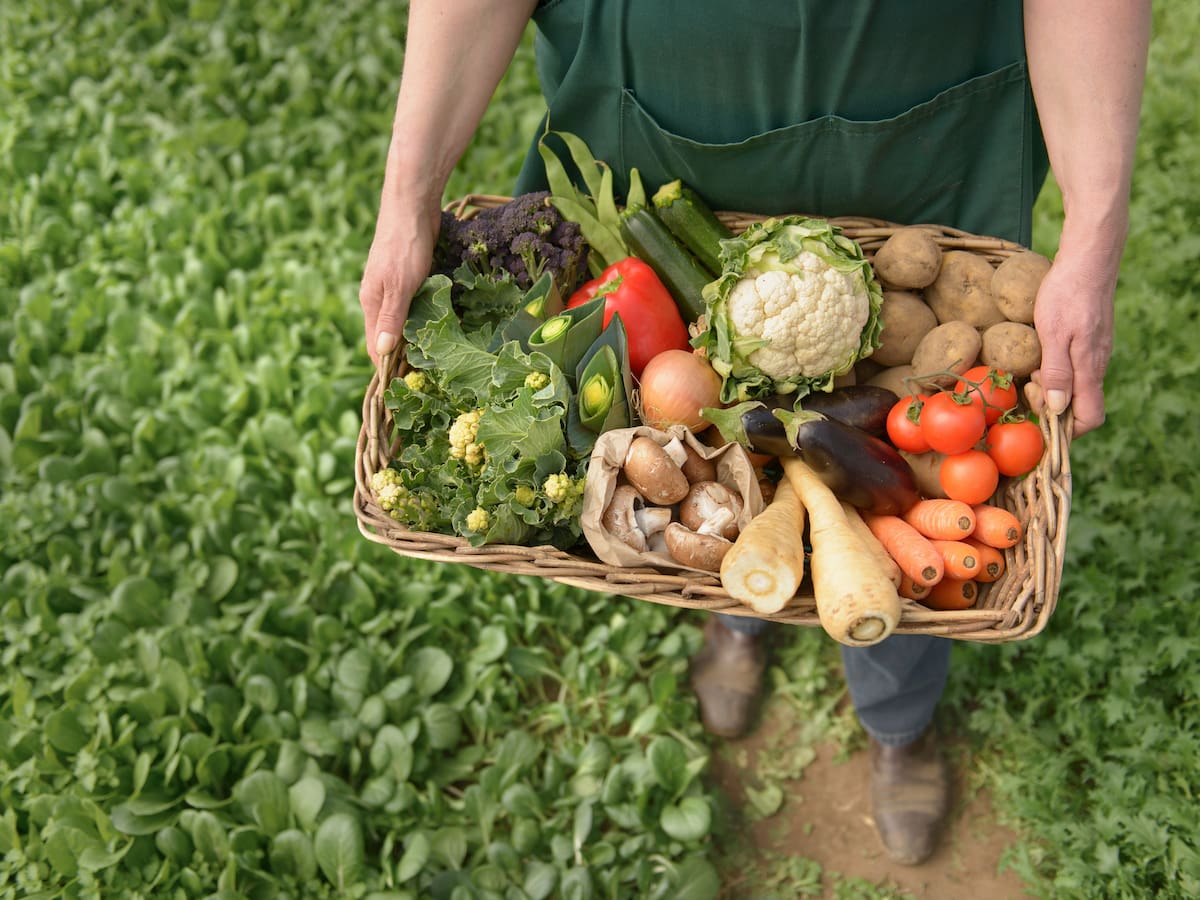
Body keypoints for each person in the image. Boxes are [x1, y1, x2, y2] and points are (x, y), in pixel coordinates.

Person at [360, 0, 1150, 867]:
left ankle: (897, 714)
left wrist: (1097, 231)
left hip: (922, 133)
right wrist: (408, 196)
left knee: (915, 497)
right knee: (726, 477)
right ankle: (738, 614)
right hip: (659, 130)